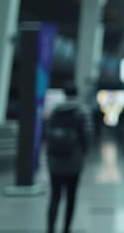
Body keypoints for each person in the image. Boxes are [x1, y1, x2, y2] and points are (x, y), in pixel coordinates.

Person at [45, 83, 90, 233]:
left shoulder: (56, 111)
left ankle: (50, 228)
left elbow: (47, 134)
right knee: (71, 197)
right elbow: (87, 137)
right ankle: (66, 228)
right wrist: (83, 153)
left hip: (55, 161)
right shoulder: (82, 112)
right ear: (77, 93)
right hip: (73, 161)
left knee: (55, 196)